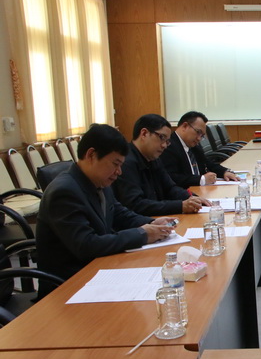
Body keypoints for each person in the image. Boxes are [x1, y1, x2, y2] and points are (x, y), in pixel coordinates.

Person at [36, 124, 174, 296]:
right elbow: (86, 245)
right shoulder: (64, 191)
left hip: (100, 271)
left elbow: (119, 213)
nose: (119, 172)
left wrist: (151, 222)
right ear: (91, 155)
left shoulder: (99, 181)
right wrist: (142, 234)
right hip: (70, 286)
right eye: (115, 164)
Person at [113, 114, 209, 216]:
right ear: (144, 133)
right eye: (162, 138)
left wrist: (192, 198)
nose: (164, 145)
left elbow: (170, 188)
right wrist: (180, 206)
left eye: (167, 141)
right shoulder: (126, 162)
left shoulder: (154, 158)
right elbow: (136, 204)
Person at [160, 111, 238, 188]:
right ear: (185, 126)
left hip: (200, 190)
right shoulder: (168, 146)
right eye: (198, 132)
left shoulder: (193, 145)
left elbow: (207, 163)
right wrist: (201, 179)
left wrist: (224, 172)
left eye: (202, 136)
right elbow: (171, 177)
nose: (199, 138)